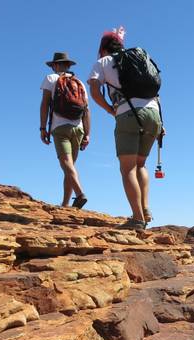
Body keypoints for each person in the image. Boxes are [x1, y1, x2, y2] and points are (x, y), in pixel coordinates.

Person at [87, 29, 164, 230]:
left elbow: (94, 91)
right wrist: (161, 124)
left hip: (127, 114)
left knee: (127, 167)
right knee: (141, 164)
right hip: (154, 115)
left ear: (103, 48)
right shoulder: (138, 57)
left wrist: (110, 110)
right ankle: (145, 209)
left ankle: (137, 219)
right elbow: (155, 91)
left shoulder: (102, 62)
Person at [40, 52, 90, 209]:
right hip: (78, 128)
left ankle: (80, 194)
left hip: (60, 127)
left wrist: (42, 128)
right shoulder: (79, 83)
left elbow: (45, 104)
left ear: (55, 65)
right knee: (70, 167)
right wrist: (87, 134)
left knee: (66, 164)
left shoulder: (51, 78)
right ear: (68, 65)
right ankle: (66, 204)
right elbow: (86, 111)